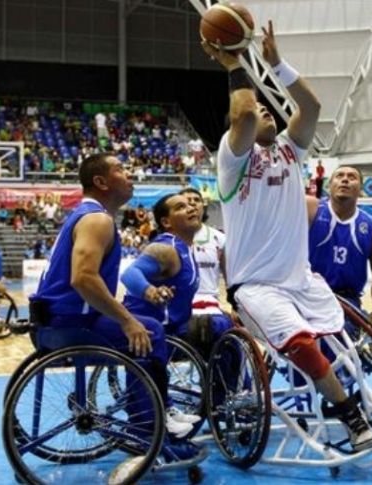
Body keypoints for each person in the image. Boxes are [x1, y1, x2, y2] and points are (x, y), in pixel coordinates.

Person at [203, 20, 372, 451]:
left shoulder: (287, 150)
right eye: (257, 109)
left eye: (269, 107)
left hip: (301, 279)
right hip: (256, 286)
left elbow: (311, 107)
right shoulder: (233, 159)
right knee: (300, 345)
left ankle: (360, 387)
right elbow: (244, 113)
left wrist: (277, 64)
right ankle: (350, 414)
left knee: (344, 341)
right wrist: (234, 61)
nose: (264, 110)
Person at [28, 154, 194, 441]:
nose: (130, 175)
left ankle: (161, 410)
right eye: (120, 170)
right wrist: (127, 320)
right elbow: (83, 278)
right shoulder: (97, 220)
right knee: (150, 331)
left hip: (53, 321)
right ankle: (149, 428)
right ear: (101, 182)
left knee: (144, 327)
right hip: (70, 325)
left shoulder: (87, 216)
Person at [120, 193, 204, 426]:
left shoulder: (187, 248)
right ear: (166, 221)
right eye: (181, 207)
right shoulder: (165, 248)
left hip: (173, 326)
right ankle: (153, 415)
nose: (190, 208)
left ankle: (223, 402)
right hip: (146, 326)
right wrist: (150, 291)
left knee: (220, 327)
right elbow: (129, 274)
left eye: (191, 204)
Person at [307, 165, 372, 335]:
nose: (345, 179)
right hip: (307, 294)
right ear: (329, 186)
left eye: (352, 177)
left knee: (341, 336)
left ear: (361, 190)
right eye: (339, 176)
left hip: (346, 301)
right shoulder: (311, 210)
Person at [178, 187, 234, 359]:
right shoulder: (170, 238)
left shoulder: (219, 238)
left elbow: (230, 278)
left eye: (196, 200)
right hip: (181, 304)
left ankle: (228, 376)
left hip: (210, 303)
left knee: (232, 341)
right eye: (186, 201)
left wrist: (235, 307)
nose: (192, 204)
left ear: (203, 206)